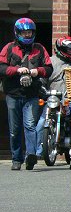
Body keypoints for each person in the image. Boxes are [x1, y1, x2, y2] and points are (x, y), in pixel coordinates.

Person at [0, 18, 53, 170]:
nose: (27, 35)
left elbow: (49, 68)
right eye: (24, 32)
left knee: (30, 125)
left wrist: (38, 71)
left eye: (29, 32)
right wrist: (16, 70)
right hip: (13, 94)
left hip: (32, 94)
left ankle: (31, 155)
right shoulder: (9, 48)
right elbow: (1, 68)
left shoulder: (40, 49)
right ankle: (16, 159)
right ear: (17, 33)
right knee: (14, 128)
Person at [36, 36, 71, 157]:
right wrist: (42, 89)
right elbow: (42, 80)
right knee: (41, 122)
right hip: (54, 99)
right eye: (69, 50)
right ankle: (37, 151)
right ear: (61, 49)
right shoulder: (50, 62)